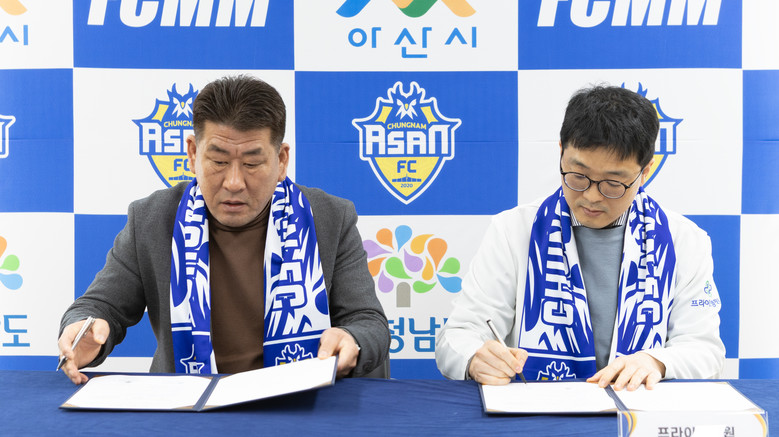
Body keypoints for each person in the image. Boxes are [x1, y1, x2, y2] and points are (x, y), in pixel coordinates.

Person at [59, 75, 390, 384]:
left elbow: (369, 322)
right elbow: (99, 306)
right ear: (193, 153)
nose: (234, 182)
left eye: (252, 163)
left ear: (281, 160)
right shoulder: (152, 218)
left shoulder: (329, 217)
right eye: (218, 161)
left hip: (305, 402)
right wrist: (84, 330)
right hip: (190, 405)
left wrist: (351, 338)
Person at [435, 85, 725, 391]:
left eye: (613, 183)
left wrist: (656, 362)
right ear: (561, 151)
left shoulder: (683, 240)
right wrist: (475, 357)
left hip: (637, 409)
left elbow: (705, 350)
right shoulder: (514, 230)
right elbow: (458, 335)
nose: (591, 196)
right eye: (578, 176)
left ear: (645, 172)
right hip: (536, 410)